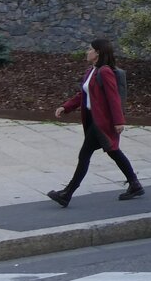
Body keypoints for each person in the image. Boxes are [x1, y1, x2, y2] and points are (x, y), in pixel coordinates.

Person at [47, 38, 144, 207]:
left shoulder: (105, 71)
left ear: (97, 53)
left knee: (85, 155)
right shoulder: (91, 70)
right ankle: (135, 184)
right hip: (93, 119)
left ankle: (67, 193)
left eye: (89, 49)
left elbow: (113, 97)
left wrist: (118, 121)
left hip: (102, 121)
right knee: (113, 151)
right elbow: (83, 95)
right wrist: (66, 107)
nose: (87, 52)